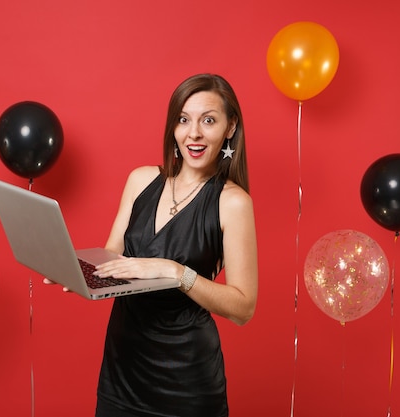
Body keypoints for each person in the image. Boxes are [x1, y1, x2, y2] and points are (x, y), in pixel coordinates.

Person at [50, 73, 258, 417]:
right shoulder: (141, 179)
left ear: (230, 127)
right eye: (183, 119)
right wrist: (76, 270)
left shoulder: (233, 202)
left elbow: (243, 308)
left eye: (208, 120)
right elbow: (113, 255)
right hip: (123, 368)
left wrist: (176, 272)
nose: (194, 133)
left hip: (187, 379)